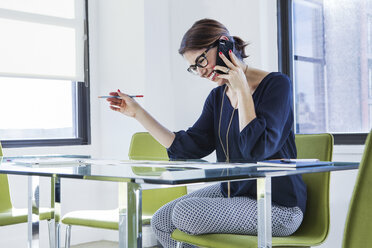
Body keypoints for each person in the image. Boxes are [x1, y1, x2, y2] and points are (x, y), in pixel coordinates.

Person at [106, 18, 306, 248]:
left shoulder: (276, 85)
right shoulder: (217, 98)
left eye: (201, 61)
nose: (201, 73)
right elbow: (188, 147)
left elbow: (257, 149)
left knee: (185, 214)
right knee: (161, 220)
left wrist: (241, 88)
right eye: (194, 67)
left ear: (224, 46)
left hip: (277, 206)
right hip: (234, 194)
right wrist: (138, 114)